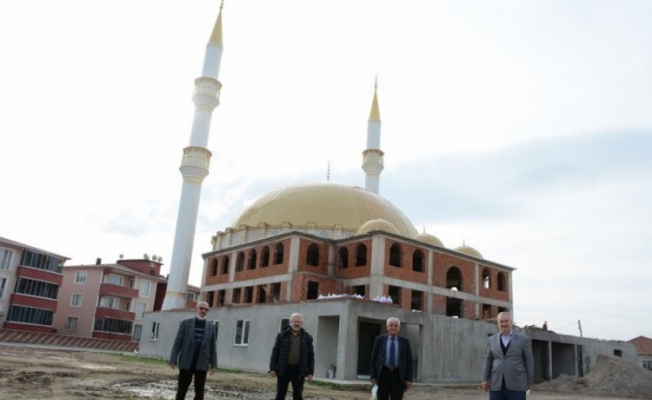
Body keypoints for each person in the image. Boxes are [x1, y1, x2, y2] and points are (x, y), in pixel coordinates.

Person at [169, 301, 218, 400]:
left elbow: (212, 346)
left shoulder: (211, 327)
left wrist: (214, 364)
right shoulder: (185, 324)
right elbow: (177, 343)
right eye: (201, 308)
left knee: (200, 392)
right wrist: (173, 359)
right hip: (186, 361)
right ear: (196, 309)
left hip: (202, 362)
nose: (203, 311)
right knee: (182, 390)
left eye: (206, 309)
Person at [481, 311, 534, 400]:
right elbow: (488, 360)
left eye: (506, 321)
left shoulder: (523, 339)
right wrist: (484, 379)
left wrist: (529, 381)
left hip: (517, 384)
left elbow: (529, 360)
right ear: (498, 323)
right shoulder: (491, 340)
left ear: (511, 322)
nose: (504, 324)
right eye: (501, 321)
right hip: (496, 384)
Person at [269, 312, 315, 400]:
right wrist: (272, 368)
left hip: (299, 370)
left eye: (299, 322)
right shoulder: (282, 335)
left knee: (298, 396)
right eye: (295, 321)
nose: (297, 323)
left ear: (302, 323)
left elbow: (311, 356)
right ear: (290, 322)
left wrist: (310, 372)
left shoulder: (307, 338)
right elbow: (275, 352)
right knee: (280, 394)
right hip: (284, 369)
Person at [370, 317, 413, 400]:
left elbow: (409, 361)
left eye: (396, 325)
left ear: (399, 328)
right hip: (383, 375)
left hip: (398, 376)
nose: (393, 327)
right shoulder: (379, 340)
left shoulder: (405, 342)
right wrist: (373, 376)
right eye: (391, 325)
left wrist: (409, 379)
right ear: (387, 327)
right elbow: (373, 359)